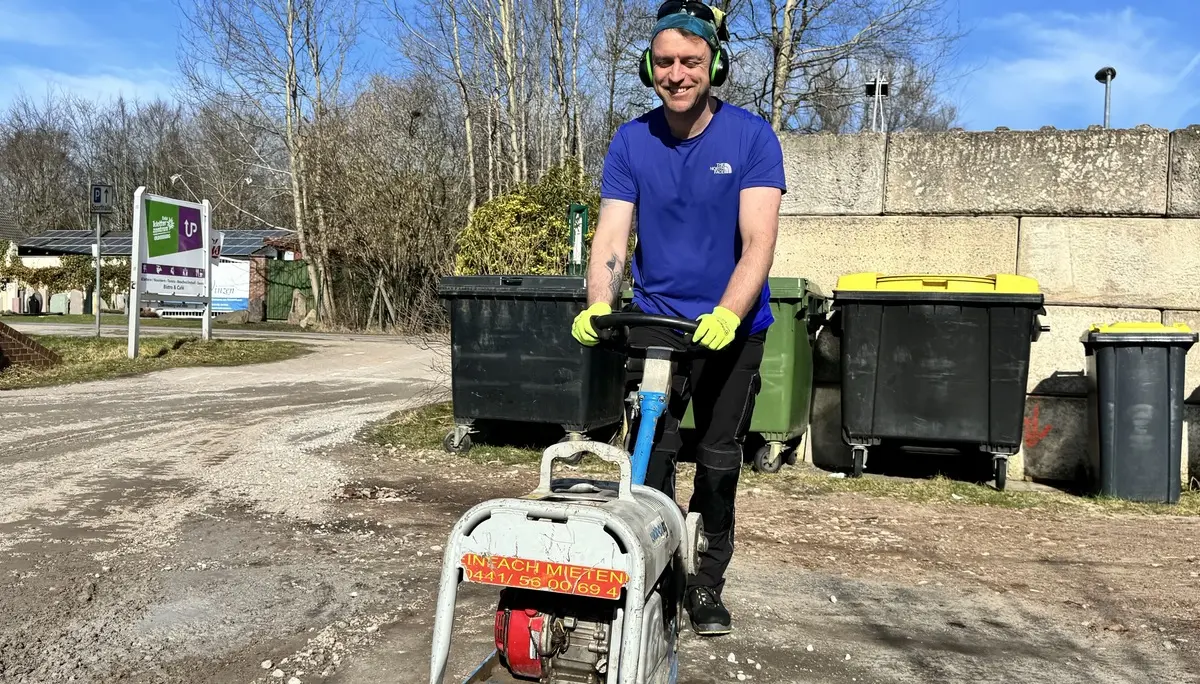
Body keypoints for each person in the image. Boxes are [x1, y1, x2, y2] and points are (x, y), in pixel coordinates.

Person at [570, 0, 785, 637]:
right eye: (665, 61)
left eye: (691, 60)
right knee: (650, 457)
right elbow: (612, 237)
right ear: (648, 68)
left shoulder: (750, 138)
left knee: (718, 461)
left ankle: (706, 584)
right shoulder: (632, 140)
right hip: (657, 327)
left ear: (713, 64)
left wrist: (728, 310)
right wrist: (598, 304)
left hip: (730, 330)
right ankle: (655, 574)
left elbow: (759, 242)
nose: (677, 73)